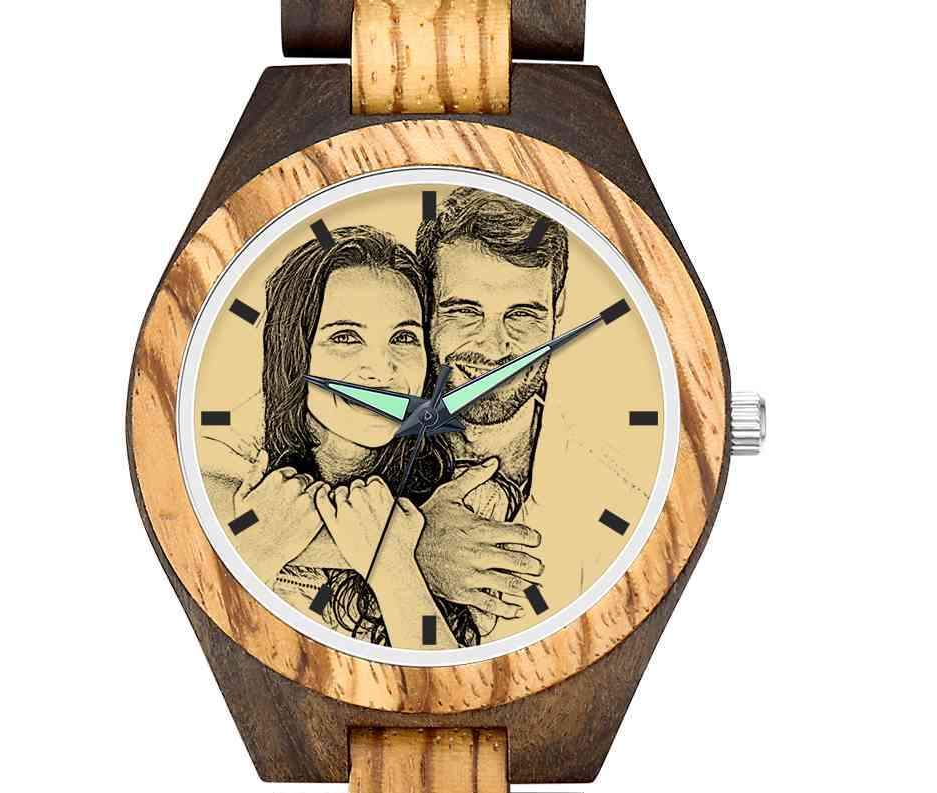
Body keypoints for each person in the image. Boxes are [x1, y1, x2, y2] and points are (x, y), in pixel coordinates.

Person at [202, 225, 533, 647]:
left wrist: (394, 564)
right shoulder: (237, 468)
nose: (381, 369)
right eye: (345, 337)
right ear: (294, 352)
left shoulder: (469, 502)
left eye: (404, 338)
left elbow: (450, 682)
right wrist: (412, 546)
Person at [416, 188, 651, 633]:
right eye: (464, 311)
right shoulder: (346, 441)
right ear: (425, 310)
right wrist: (403, 544)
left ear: (557, 311)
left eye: (522, 314)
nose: (494, 348)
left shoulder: (619, 492)